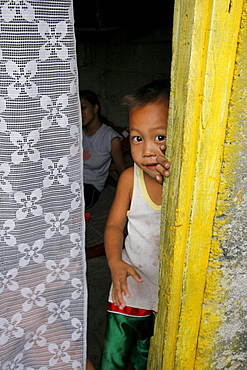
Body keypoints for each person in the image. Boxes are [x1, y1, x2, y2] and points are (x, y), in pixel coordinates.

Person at [99, 80, 170, 369]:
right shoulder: (130, 178)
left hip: (162, 300)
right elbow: (115, 226)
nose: (147, 151)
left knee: (148, 359)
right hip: (128, 291)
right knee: (113, 359)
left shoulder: (186, 184)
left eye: (160, 137)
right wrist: (115, 262)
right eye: (138, 139)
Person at [80, 90, 126, 210]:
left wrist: (128, 196)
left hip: (90, 187)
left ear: (95, 108)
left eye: (84, 108)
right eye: (77, 109)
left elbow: (121, 169)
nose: (81, 113)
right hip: (73, 181)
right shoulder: (78, 133)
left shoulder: (110, 138)